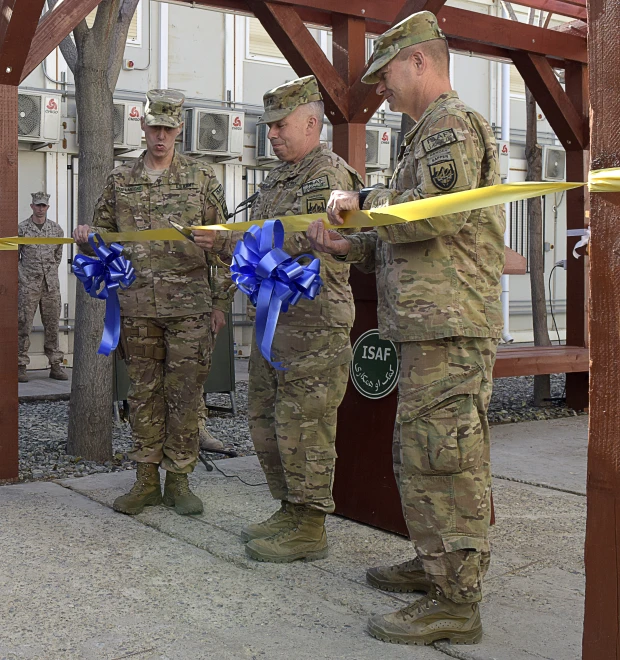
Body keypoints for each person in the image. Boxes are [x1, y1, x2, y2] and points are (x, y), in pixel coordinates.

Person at [307, 11, 505, 646]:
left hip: (450, 326)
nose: (381, 88)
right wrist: (348, 245)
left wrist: (361, 211)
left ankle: (458, 600)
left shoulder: (449, 127)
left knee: (447, 457)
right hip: (426, 326)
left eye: (386, 73)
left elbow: (429, 221)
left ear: (419, 60)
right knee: (421, 455)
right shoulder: (422, 135)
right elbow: (401, 241)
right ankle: (434, 565)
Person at [195, 75, 363, 563]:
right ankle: (290, 508)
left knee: (304, 424)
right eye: (268, 126)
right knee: (267, 421)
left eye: (280, 124)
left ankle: (311, 524)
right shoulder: (277, 179)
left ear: (311, 123)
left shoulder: (328, 178)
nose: (270, 134)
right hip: (274, 325)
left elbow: (292, 246)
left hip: (313, 327)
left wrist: (225, 243)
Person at [73, 89, 232, 517]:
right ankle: (145, 481)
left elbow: (230, 247)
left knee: (184, 395)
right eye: (153, 127)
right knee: (143, 395)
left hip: (190, 311)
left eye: (168, 128)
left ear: (179, 129)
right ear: (142, 127)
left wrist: (221, 303)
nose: (160, 136)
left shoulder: (202, 179)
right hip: (138, 308)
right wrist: (86, 241)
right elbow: (99, 241)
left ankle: (178, 481)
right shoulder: (120, 180)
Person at [18, 192, 68, 383]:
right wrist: (23, 279)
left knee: (53, 325)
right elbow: (16, 258)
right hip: (28, 285)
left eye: (43, 206)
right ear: (32, 206)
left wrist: (49, 274)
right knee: (23, 324)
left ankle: (55, 364)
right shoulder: (22, 229)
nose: (40, 208)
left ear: (47, 207)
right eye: (37, 205)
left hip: (50, 285)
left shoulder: (56, 230)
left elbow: (57, 256)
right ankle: (20, 365)